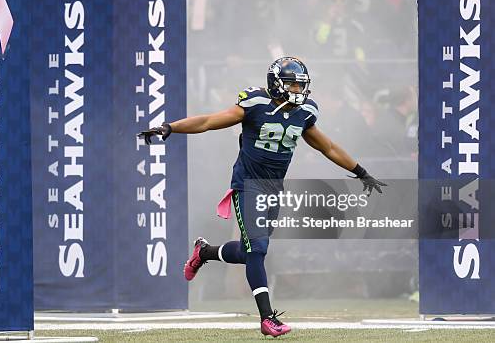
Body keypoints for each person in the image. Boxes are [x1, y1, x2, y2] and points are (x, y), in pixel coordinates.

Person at [138, 56, 386, 337]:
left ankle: (204, 252)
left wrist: (360, 171)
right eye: (293, 84)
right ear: (277, 83)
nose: (298, 91)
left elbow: (327, 147)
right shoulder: (254, 103)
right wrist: (171, 126)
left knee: (249, 252)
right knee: (257, 250)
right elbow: (208, 121)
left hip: (273, 188)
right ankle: (268, 318)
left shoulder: (304, 111)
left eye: (300, 85)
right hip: (248, 184)